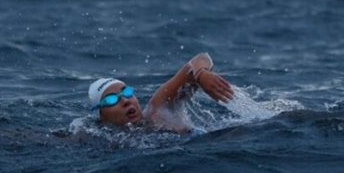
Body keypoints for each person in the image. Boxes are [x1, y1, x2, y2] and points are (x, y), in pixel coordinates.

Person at [88, 52, 235, 133]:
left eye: (126, 92)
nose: (125, 101)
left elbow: (200, 58)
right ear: (101, 117)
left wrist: (200, 73)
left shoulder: (158, 110)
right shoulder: (98, 138)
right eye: (111, 99)